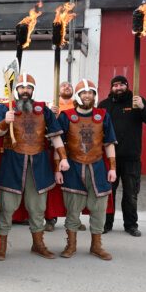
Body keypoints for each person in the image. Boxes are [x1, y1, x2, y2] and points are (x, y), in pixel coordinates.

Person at [0, 73, 69, 260]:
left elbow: (56, 135)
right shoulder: (4, 107)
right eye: (21, 87)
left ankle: (38, 243)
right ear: (16, 90)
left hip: (38, 164)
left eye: (28, 88)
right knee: (7, 207)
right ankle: (1, 246)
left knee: (37, 208)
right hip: (12, 164)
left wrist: (63, 158)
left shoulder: (43, 110)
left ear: (33, 90)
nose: (25, 91)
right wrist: (5, 121)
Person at [55, 79, 117, 260]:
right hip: (73, 167)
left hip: (97, 167)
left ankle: (96, 246)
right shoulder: (66, 116)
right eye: (84, 92)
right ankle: (71, 245)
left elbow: (109, 143)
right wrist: (57, 168)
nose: (87, 95)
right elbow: (57, 142)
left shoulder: (103, 115)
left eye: (91, 92)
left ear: (94, 95)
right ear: (78, 95)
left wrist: (112, 168)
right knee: (73, 209)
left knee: (99, 209)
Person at [99, 75, 146, 237]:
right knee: (108, 193)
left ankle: (131, 225)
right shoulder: (104, 105)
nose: (118, 88)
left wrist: (143, 107)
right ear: (111, 88)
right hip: (110, 159)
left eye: (121, 85)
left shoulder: (136, 101)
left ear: (127, 86)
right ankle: (106, 223)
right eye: (115, 85)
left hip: (131, 159)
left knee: (131, 194)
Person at [45, 81, 86, 232]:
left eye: (69, 86)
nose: (66, 87)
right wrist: (51, 114)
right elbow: (46, 127)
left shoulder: (80, 104)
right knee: (54, 187)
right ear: (58, 90)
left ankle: (74, 218)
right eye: (63, 86)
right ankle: (50, 219)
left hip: (75, 150)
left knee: (75, 185)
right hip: (55, 149)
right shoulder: (51, 106)